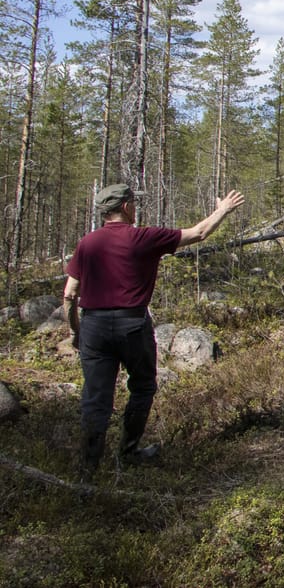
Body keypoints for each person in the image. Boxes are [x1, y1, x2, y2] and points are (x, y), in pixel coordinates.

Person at [63, 184, 245, 482]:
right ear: (125, 206)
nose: (135, 207)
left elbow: (70, 294)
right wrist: (223, 209)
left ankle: (87, 471)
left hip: (93, 326)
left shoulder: (87, 243)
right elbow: (198, 233)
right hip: (132, 324)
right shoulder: (143, 237)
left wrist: (75, 331)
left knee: (95, 399)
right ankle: (129, 450)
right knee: (143, 387)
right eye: (133, 202)